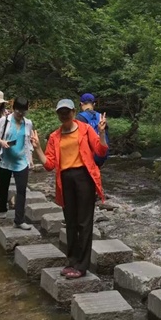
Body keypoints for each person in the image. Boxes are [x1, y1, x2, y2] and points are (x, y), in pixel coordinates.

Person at [31, 98, 107, 279]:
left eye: (67, 111)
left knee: (84, 222)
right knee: (70, 222)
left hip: (84, 177)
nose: (64, 115)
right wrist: (37, 149)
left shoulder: (85, 129)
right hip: (65, 179)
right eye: (61, 112)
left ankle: (82, 266)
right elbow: (49, 164)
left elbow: (101, 151)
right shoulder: (54, 137)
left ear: (74, 112)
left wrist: (102, 133)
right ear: (58, 114)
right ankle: (72, 261)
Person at [0, 97, 34, 230]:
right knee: (3, 186)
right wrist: (1, 141)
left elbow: (28, 143)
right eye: (18, 111)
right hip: (5, 160)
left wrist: (30, 159)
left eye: (23, 111)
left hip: (21, 161)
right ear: (13, 108)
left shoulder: (28, 123)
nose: (20, 114)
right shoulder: (4, 121)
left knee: (21, 190)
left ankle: (19, 220)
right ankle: (2, 208)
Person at [77, 93, 109, 166]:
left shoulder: (79, 118)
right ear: (94, 104)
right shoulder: (101, 117)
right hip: (100, 155)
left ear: (81, 104)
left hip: (86, 158)